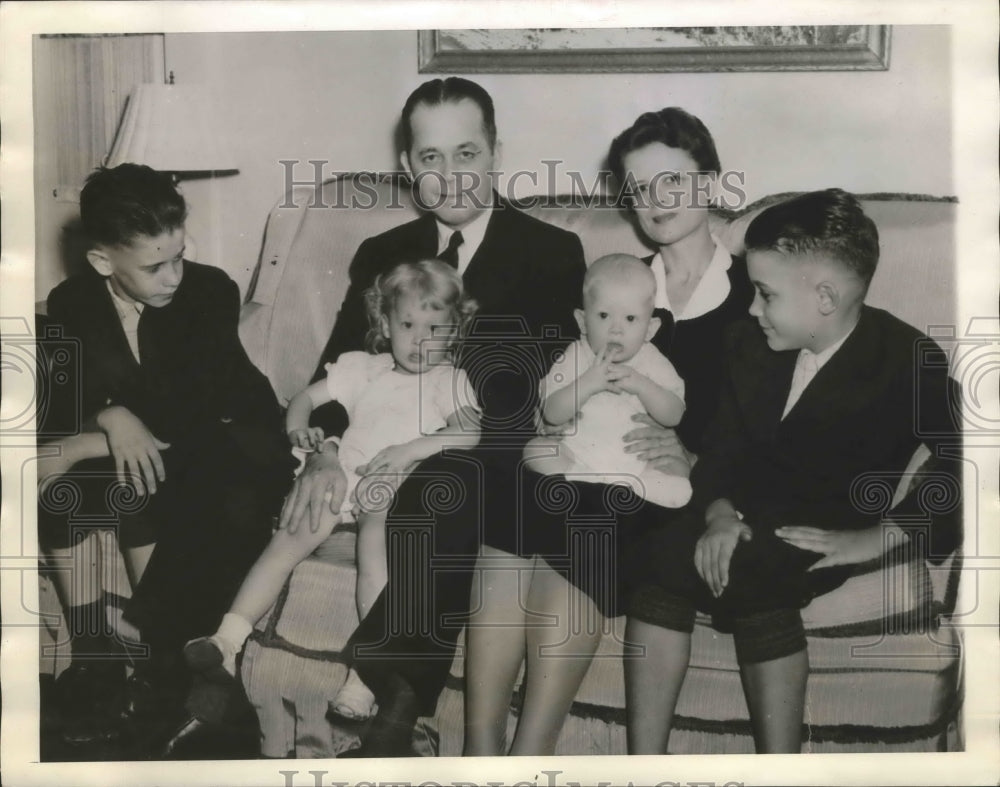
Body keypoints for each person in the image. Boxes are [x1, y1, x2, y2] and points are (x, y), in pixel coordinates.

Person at [282, 77, 587, 756]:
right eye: (429, 158)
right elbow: (335, 374)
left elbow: (535, 397)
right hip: (385, 447)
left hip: (493, 449)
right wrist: (326, 450)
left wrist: (427, 446)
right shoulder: (381, 253)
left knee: (441, 486)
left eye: (466, 153)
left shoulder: (551, 253)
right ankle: (396, 709)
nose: (448, 177)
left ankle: (387, 684)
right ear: (407, 166)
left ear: (496, 152)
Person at [462, 107, 756, 756]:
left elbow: (756, 421)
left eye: (673, 183)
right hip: (590, 456)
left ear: (709, 182)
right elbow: (569, 375)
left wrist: (694, 454)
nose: (656, 202)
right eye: (640, 187)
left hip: (668, 491)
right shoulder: (620, 283)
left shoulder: (749, 296)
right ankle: (480, 744)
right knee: (513, 493)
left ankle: (529, 750)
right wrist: (546, 429)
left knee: (587, 515)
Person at [626, 189, 963, 753]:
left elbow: (971, 455)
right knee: (661, 548)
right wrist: (717, 513)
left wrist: (881, 536)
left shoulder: (906, 359)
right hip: (733, 512)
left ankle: (780, 765)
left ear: (825, 297)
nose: (753, 309)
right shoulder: (750, 344)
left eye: (765, 294)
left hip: (811, 530)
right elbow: (722, 448)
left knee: (758, 572)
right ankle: (641, 762)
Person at [36, 164, 293, 750]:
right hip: (151, 441)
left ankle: (156, 656)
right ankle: (93, 656)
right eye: (155, 265)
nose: (174, 274)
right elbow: (71, 395)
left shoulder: (209, 291)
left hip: (232, 441)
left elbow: (190, 413)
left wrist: (90, 440)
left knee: (159, 478)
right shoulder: (71, 300)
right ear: (103, 261)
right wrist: (106, 415)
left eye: (179, 254)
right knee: (61, 488)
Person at [182, 260, 480, 723]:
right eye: (407, 325)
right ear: (385, 323)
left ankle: (364, 677)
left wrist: (411, 450)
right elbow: (303, 398)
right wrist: (300, 431)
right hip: (343, 475)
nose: (420, 340)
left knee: (375, 549)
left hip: (393, 487)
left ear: (455, 330)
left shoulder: (449, 381)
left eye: (436, 328)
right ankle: (227, 639)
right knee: (290, 537)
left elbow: (470, 434)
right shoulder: (365, 369)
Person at [524, 253, 691, 509]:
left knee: (679, 467)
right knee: (536, 450)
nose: (616, 329)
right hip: (579, 455)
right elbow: (551, 413)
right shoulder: (576, 355)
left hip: (637, 460)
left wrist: (643, 385)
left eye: (630, 319)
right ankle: (589, 482)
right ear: (582, 321)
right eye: (603, 316)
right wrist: (587, 383)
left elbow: (674, 415)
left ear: (651, 328)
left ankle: (638, 487)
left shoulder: (651, 361)